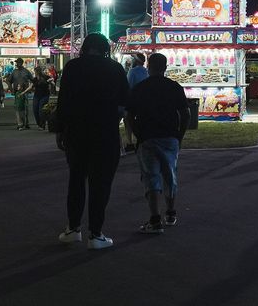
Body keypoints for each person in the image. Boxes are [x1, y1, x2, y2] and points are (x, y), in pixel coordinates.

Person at [56, 33, 129, 250]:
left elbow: (63, 102)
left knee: (76, 179)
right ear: (105, 48)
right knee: (101, 184)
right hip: (105, 132)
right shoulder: (115, 69)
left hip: (76, 132)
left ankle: (73, 228)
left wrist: (60, 131)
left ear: (85, 48)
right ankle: (96, 234)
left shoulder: (72, 68)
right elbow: (125, 104)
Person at [126, 53, 190, 234]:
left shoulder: (140, 88)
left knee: (151, 176)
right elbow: (186, 114)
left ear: (148, 67)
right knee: (170, 174)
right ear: (165, 67)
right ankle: (170, 213)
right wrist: (179, 136)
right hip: (170, 137)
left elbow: (130, 115)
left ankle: (155, 219)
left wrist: (138, 134)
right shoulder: (174, 87)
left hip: (147, 137)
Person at [124, 53, 150, 152]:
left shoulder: (133, 71)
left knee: (128, 119)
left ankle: (129, 142)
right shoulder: (146, 71)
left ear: (136, 61)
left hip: (134, 100)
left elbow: (129, 86)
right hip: (145, 100)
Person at [9, 58, 33, 130]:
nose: (17, 64)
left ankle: (26, 123)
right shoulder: (14, 72)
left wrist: (30, 88)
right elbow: (9, 81)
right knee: (18, 108)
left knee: (25, 108)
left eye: (18, 62)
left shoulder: (26, 71)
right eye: (16, 63)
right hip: (17, 92)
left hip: (25, 92)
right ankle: (20, 124)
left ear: (21, 63)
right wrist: (11, 90)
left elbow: (32, 80)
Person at [32, 66, 52, 130]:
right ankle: (39, 124)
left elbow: (51, 79)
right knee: (35, 110)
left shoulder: (45, 77)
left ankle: (42, 124)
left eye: (36, 71)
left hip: (44, 95)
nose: (35, 73)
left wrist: (51, 81)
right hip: (36, 96)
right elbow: (31, 86)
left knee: (41, 110)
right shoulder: (35, 79)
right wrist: (24, 92)